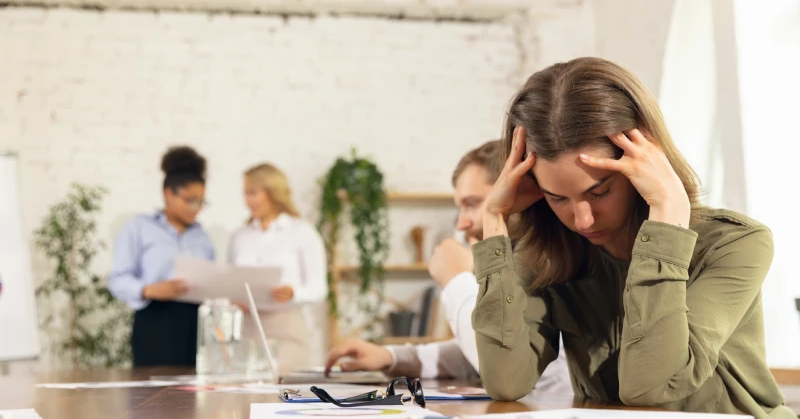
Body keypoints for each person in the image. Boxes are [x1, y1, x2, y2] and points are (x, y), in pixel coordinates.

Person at [472, 57, 793, 417]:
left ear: (644, 161)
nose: (581, 219)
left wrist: (668, 211)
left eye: (599, 191)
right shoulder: (549, 255)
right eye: (557, 198)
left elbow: (652, 387)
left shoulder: (736, 244)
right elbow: (505, 381)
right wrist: (493, 219)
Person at [325, 141, 571, 393]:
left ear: (516, 192)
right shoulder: (516, 256)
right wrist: (391, 357)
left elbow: (516, 371)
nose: (462, 223)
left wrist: (456, 280)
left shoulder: (549, 263)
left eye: (472, 204)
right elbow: (489, 347)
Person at [108, 146, 215, 367]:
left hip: (196, 325)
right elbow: (117, 279)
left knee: (197, 394)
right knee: (154, 396)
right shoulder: (138, 228)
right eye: (190, 200)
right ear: (169, 194)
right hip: (156, 321)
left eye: (201, 201)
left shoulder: (202, 237)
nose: (196, 208)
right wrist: (149, 289)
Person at [227, 163, 327, 371]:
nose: (247, 201)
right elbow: (232, 280)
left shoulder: (302, 232)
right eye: (245, 193)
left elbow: (319, 288)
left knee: (280, 389)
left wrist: (293, 293)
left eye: (253, 193)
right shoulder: (239, 236)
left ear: (273, 192)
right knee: (240, 393)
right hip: (246, 328)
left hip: (285, 328)